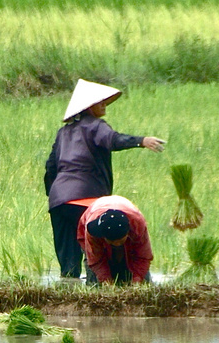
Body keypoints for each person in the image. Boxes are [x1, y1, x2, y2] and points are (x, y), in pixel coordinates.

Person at [44, 79, 165, 281]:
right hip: (88, 200)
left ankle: (68, 298)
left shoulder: (63, 133)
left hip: (59, 203)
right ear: (87, 106)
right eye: (99, 101)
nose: (104, 104)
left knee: (68, 264)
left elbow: (50, 167)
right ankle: (104, 289)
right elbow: (113, 140)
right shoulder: (96, 126)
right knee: (98, 247)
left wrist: (56, 195)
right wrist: (141, 141)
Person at [77, 195, 153, 285]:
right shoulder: (93, 230)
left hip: (128, 217)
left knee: (142, 281)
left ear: (128, 233)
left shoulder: (137, 225)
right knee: (95, 283)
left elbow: (142, 257)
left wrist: (136, 281)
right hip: (95, 215)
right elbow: (96, 260)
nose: (117, 244)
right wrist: (107, 283)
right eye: (112, 241)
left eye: (120, 241)